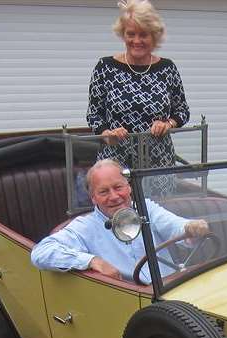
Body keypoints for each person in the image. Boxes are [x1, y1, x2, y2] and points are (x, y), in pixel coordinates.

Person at [30, 159, 208, 282]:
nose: (114, 196)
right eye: (104, 192)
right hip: (126, 298)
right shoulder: (85, 227)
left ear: (129, 187)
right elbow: (41, 252)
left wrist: (190, 227)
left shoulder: (145, 208)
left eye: (118, 187)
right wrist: (93, 261)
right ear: (93, 198)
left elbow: (173, 225)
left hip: (170, 287)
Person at [87, 0, 189, 196]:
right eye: (130, 34)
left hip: (159, 163)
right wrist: (107, 132)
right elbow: (93, 114)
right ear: (123, 34)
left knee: (158, 218)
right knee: (121, 219)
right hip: (116, 162)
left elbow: (182, 111)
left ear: (155, 36)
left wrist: (168, 123)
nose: (136, 40)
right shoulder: (105, 67)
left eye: (143, 34)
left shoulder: (167, 68)